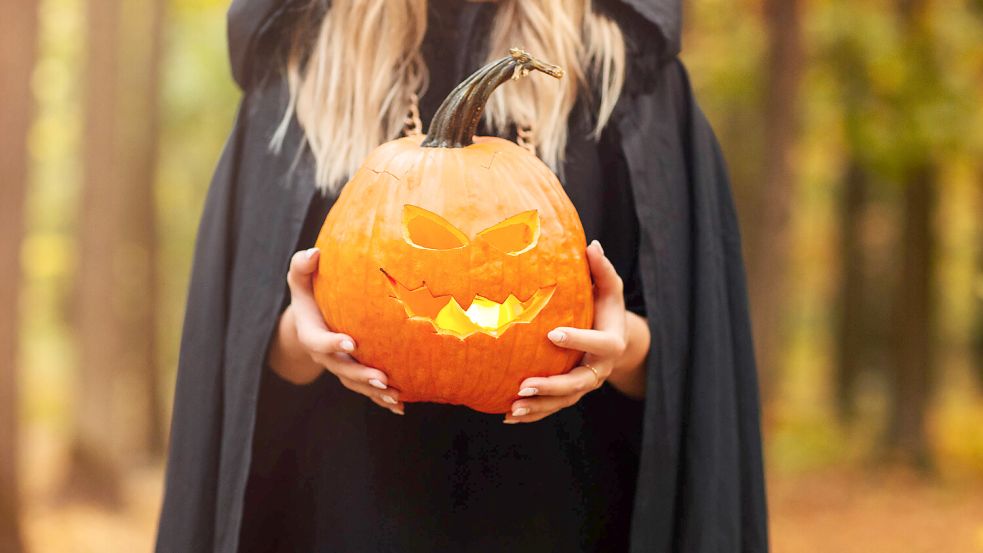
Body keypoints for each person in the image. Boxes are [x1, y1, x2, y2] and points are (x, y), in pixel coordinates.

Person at [156, 0, 769, 552]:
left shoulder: (619, 60)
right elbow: (241, 366)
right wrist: (303, 339)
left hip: (566, 510)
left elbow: (690, 363)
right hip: (346, 510)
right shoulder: (301, 59)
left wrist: (619, 348)